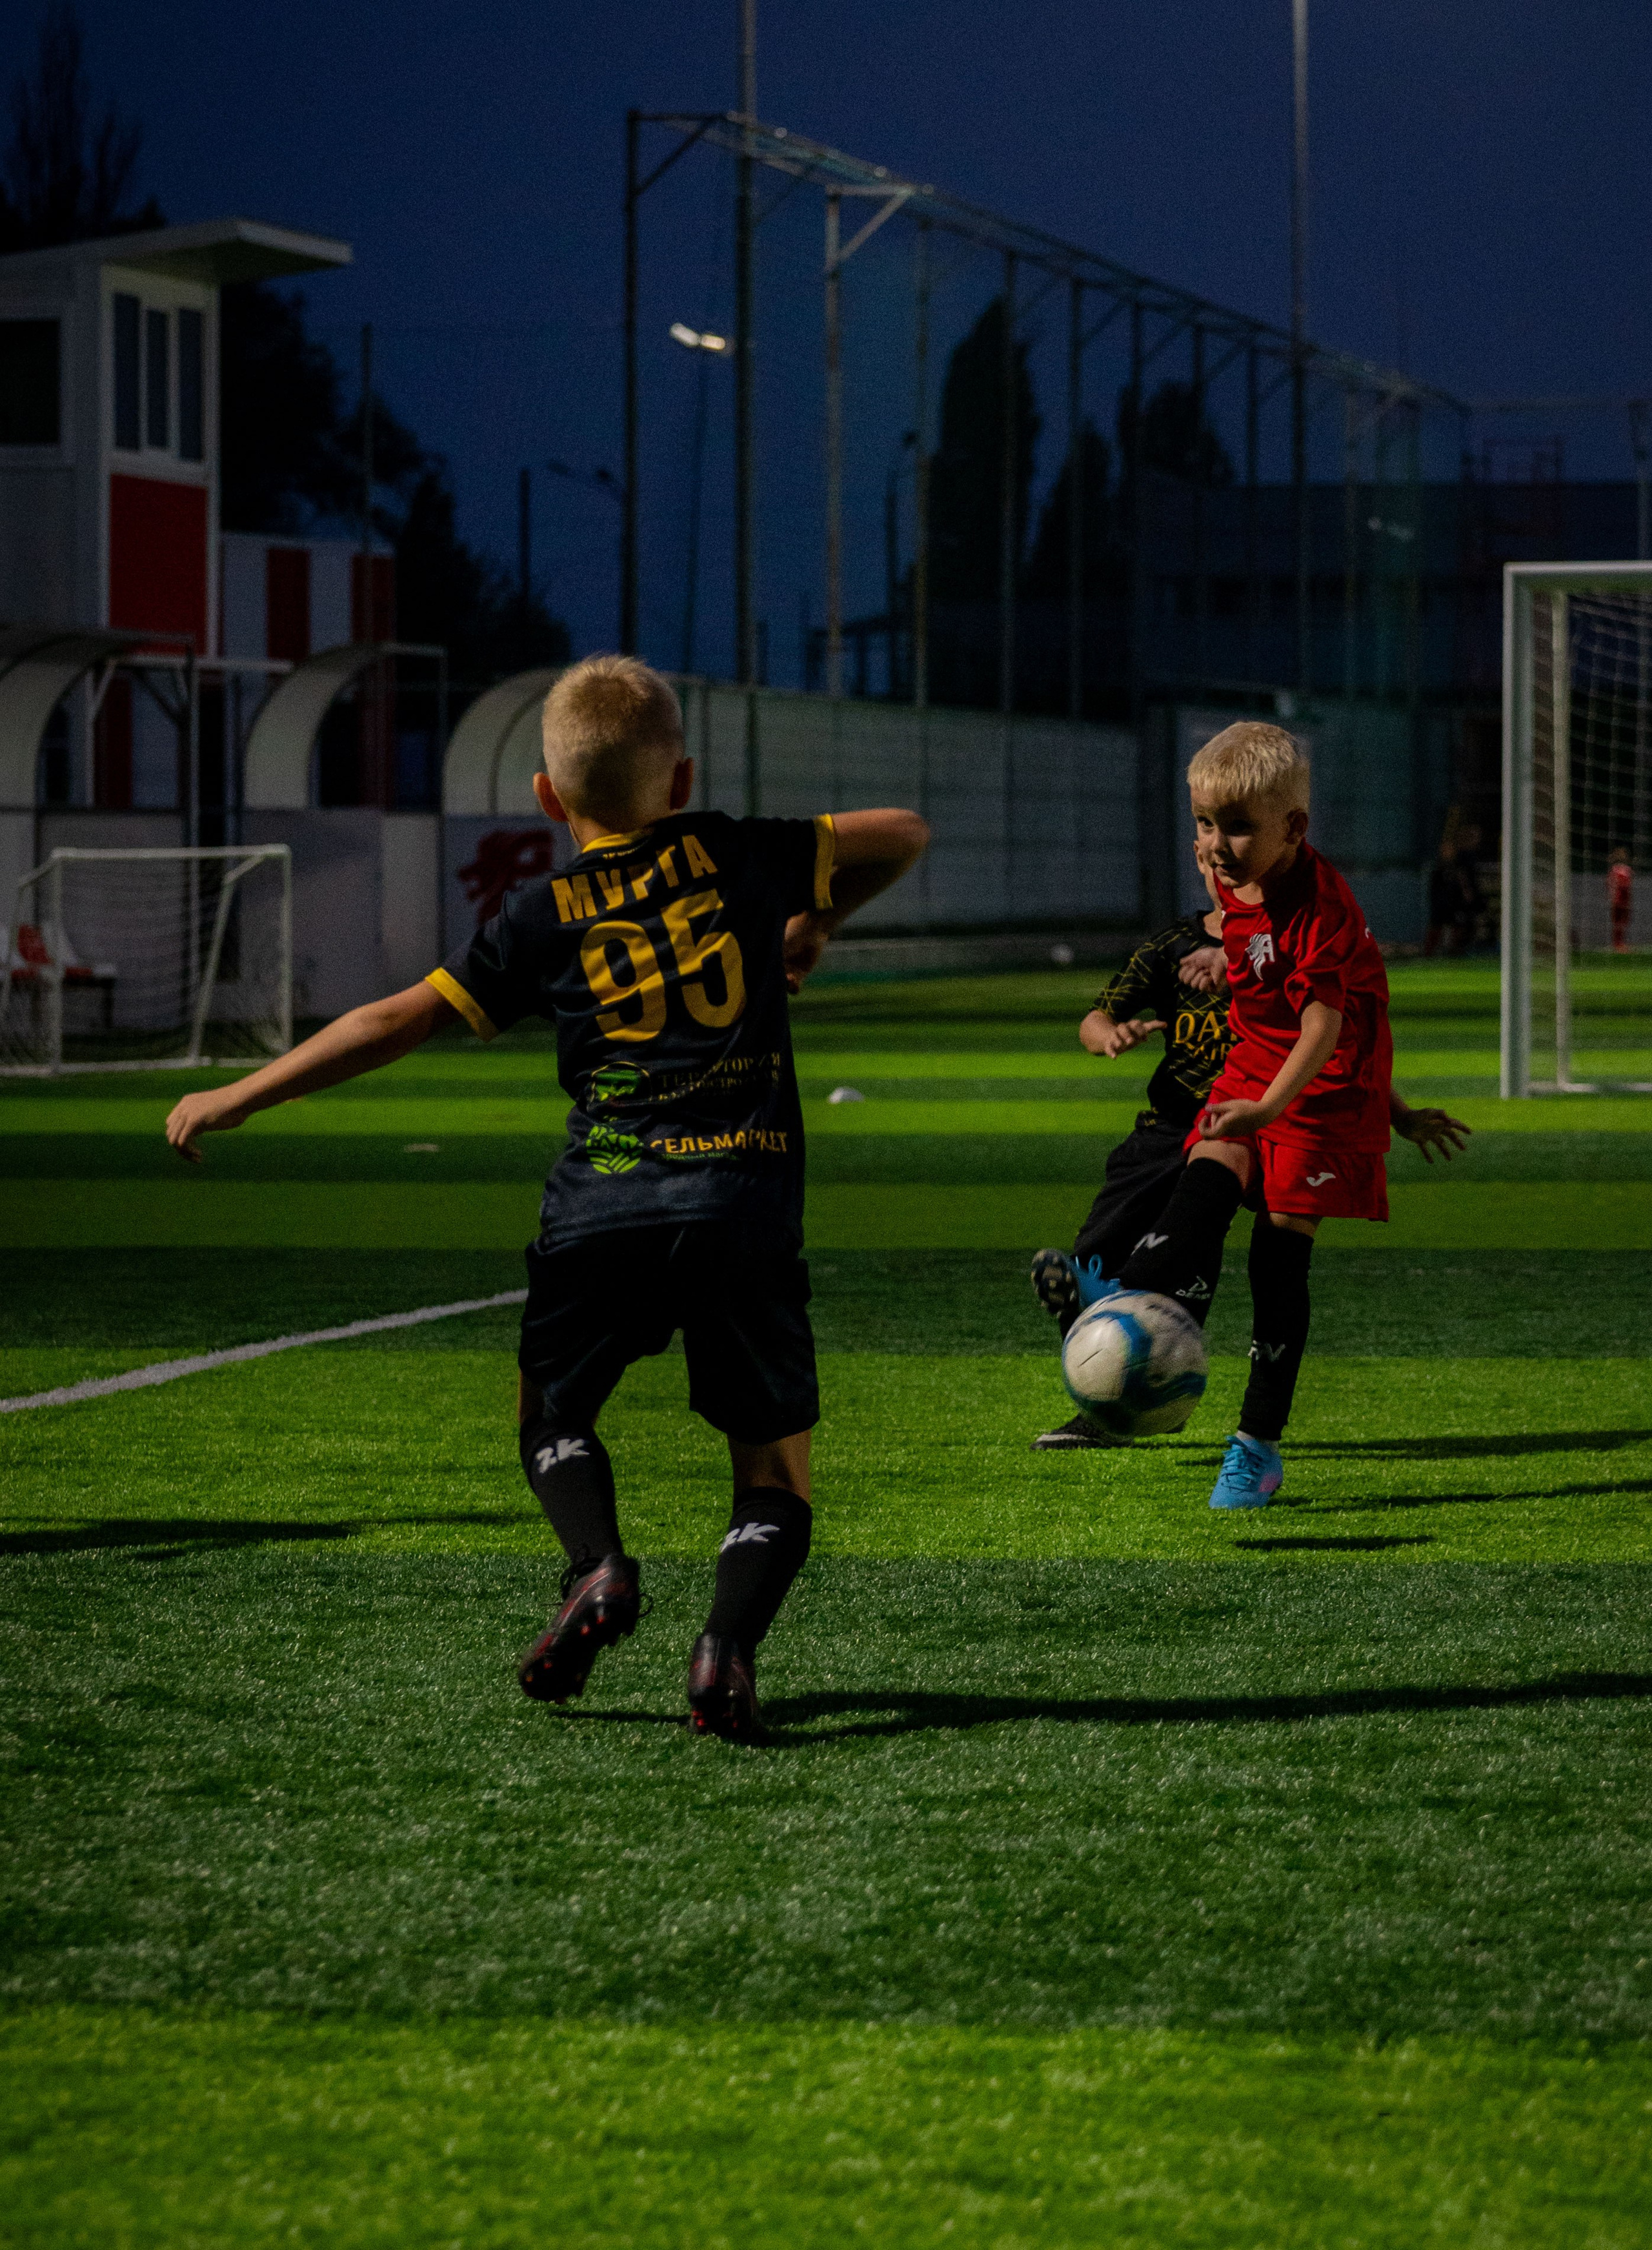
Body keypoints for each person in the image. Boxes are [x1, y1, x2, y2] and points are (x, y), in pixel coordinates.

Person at [164, 655, 929, 1739]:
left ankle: (599, 1566)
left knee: (553, 1414)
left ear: (545, 796)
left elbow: (398, 1019)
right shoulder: (734, 851)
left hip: (601, 1208)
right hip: (741, 1205)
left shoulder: (540, 909)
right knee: (772, 1474)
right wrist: (815, 922)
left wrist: (243, 1092)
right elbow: (901, 833)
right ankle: (724, 1653)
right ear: (682, 777)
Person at [1104, 722, 1467, 1510]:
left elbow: (1328, 1026)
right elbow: (1258, 971)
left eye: (1235, 827)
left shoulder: (1323, 909)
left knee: (1275, 1265)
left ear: (1293, 830)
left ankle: (1255, 1448)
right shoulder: (1228, 876)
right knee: (1200, 1186)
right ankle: (1129, 1315)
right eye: (1203, 823)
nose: (1214, 845)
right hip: (1257, 1066)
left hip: (1321, 1093)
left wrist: (1313, 1108)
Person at [1027, 856, 1231, 1448]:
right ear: (1197, 859)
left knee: (1181, 1251)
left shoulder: (1278, 944)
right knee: (1092, 1254)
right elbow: (1096, 1017)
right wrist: (1108, 1036)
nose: (1229, 866)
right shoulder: (1172, 944)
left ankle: (1154, 1394)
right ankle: (1120, 1397)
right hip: (1168, 1125)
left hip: (1244, 1124)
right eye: (1213, 852)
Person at [1609, 846, 1634, 953]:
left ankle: (1620, 944)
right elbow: (1611, 884)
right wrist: (1612, 894)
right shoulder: (1615, 870)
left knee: (1623, 922)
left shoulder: (1627, 870)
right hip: (1618, 899)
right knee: (1618, 922)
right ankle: (1617, 944)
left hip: (1625, 899)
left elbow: (1629, 886)